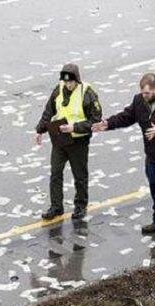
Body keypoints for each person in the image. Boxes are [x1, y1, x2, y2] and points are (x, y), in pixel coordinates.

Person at [93, 76, 155, 241]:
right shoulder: (140, 101)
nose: (144, 96)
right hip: (154, 154)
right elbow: (127, 117)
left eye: (147, 93)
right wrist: (108, 124)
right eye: (142, 93)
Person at [35, 63, 102, 221]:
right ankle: (56, 207)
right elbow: (48, 111)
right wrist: (39, 130)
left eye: (71, 82)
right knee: (55, 172)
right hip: (60, 139)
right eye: (66, 82)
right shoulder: (58, 90)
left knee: (79, 175)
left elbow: (96, 121)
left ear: (77, 80)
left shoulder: (88, 93)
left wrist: (74, 127)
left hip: (78, 141)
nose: (68, 85)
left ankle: (80, 206)